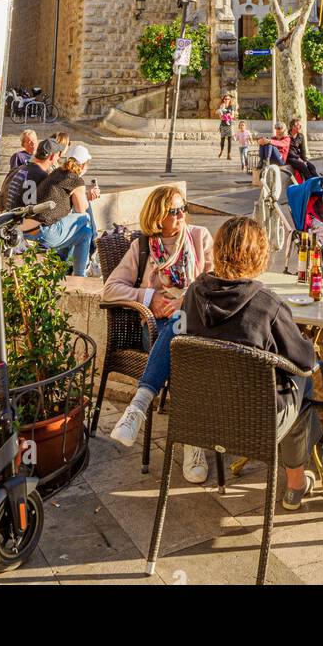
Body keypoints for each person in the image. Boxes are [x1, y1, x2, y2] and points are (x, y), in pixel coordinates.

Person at [182, 216, 323, 510]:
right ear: (259, 255)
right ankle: (296, 483)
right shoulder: (267, 304)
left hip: (203, 420)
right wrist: (307, 342)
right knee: (303, 381)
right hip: (259, 423)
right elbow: (305, 360)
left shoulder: (193, 294)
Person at [108, 187, 215, 479]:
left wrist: (187, 299)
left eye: (183, 208)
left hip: (196, 324)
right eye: (174, 211)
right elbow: (111, 288)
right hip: (158, 330)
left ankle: (139, 405)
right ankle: (193, 444)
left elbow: (214, 281)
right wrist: (149, 298)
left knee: (182, 329)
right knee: (181, 344)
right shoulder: (142, 248)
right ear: (157, 216)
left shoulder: (199, 237)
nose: (181, 215)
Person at [33, 142, 99, 276]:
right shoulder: (75, 180)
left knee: (84, 233)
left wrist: (85, 196)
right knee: (85, 218)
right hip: (47, 231)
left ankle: (76, 274)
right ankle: (81, 270)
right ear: (83, 164)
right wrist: (88, 197)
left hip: (35, 228)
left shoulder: (58, 172)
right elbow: (81, 210)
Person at [1, 136, 61, 210]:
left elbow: (0, 201)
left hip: (4, 218)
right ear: (52, 157)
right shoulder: (42, 176)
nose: (59, 158)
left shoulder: (18, 169)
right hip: (20, 220)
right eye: (59, 155)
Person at [286, 116, 319, 181]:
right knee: (303, 167)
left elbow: (303, 150)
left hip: (299, 158)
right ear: (293, 126)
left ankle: (318, 181)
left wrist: (304, 160)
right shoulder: (287, 136)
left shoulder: (301, 136)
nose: (300, 126)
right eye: (298, 125)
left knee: (311, 167)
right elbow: (288, 151)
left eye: (300, 125)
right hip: (290, 158)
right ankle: (309, 183)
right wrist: (298, 158)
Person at [217, 94, 235, 160]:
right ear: (223, 100)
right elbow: (220, 117)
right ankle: (221, 151)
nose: (226, 100)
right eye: (225, 99)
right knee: (222, 139)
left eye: (228, 99)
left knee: (230, 140)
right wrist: (223, 117)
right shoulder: (221, 106)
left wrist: (229, 116)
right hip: (223, 124)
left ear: (230, 100)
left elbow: (233, 115)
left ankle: (229, 154)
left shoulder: (231, 107)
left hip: (229, 124)